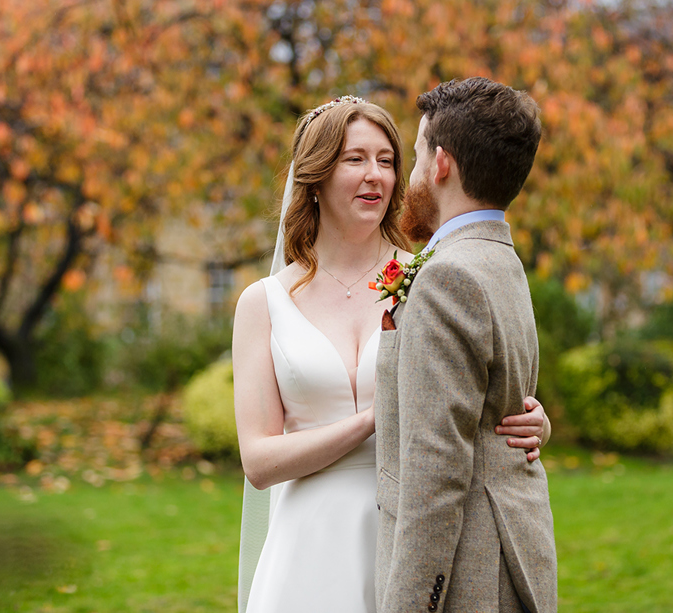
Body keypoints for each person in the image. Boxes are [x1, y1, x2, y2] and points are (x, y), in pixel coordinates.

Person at [232, 95, 550, 613]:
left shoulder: (433, 277)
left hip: (409, 532)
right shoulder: (263, 304)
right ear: (314, 175)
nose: (375, 175)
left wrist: (534, 422)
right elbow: (259, 461)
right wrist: (374, 420)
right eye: (354, 159)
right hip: (309, 544)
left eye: (387, 160)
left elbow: (480, 394)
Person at [374, 78, 557, 613]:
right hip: (514, 549)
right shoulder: (502, 259)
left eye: (413, 158)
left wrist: (410, 605)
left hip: (469, 578)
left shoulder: (445, 278)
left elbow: (436, 473)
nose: (408, 177)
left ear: (442, 165)